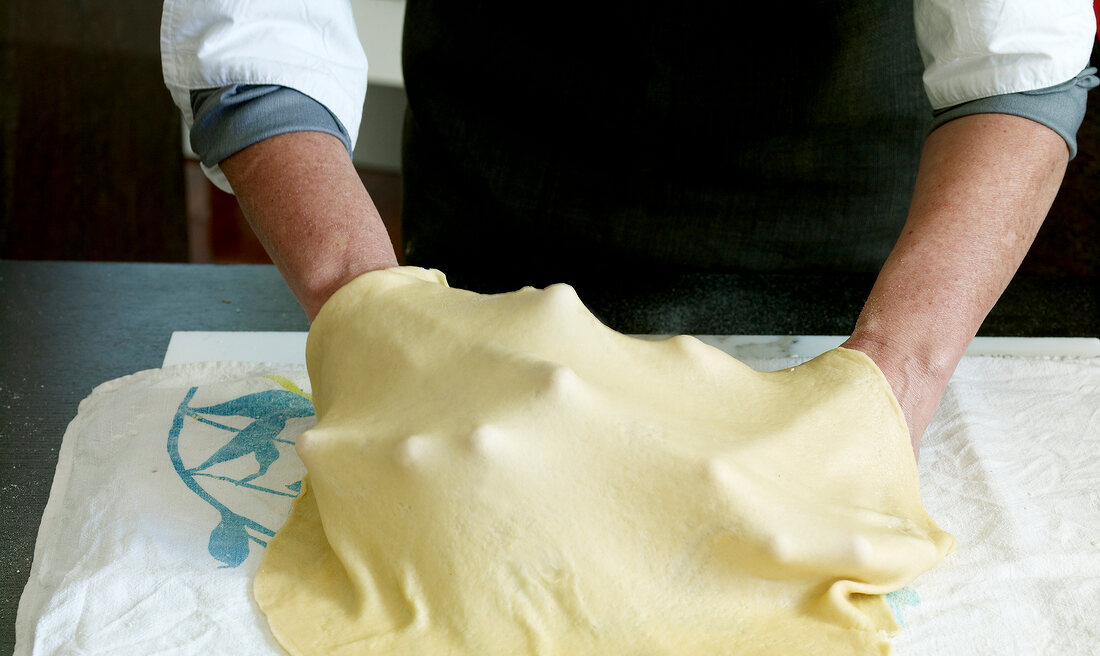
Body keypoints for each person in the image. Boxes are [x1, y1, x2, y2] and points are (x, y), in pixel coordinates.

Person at [161, 0, 1097, 455]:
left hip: (845, 251)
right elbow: (260, 23)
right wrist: (368, 312)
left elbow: (1018, 60)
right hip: (494, 214)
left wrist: (894, 378)